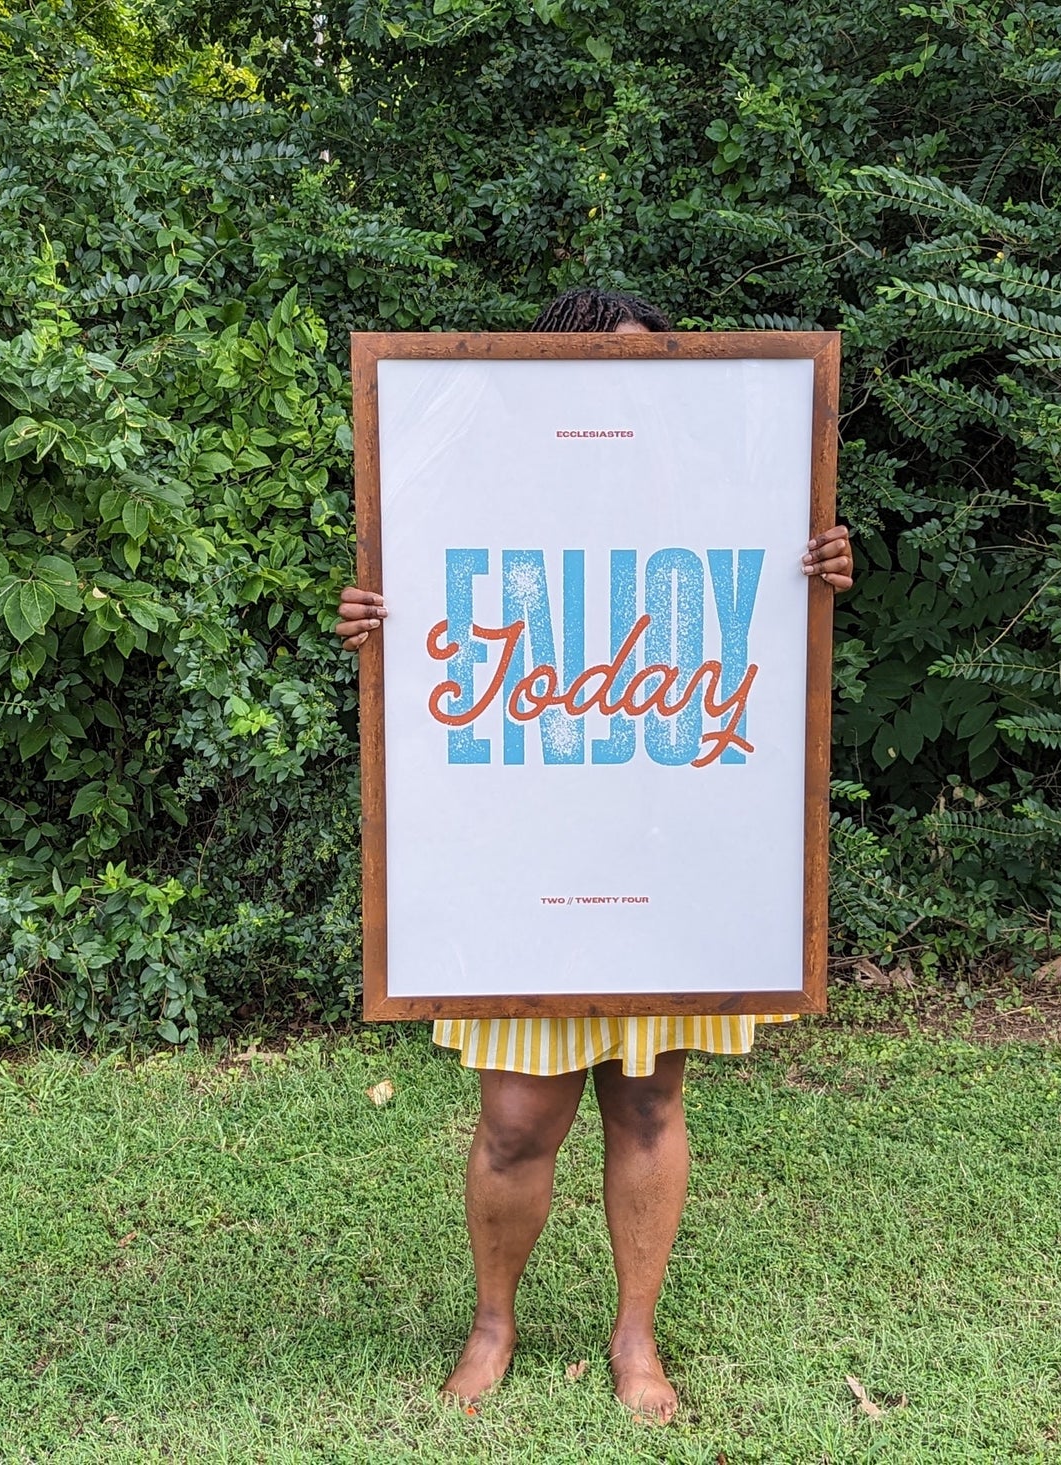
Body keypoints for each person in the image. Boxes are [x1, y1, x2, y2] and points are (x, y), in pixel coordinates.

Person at [334, 286, 854, 1423]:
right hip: (527, 859)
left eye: (650, 368)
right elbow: (428, 616)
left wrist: (812, 570)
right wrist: (379, 617)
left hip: (663, 854)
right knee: (517, 1116)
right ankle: (492, 1323)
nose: (631, 387)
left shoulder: (724, 499)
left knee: (649, 1101)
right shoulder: (477, 496)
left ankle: (635, 1335)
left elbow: (763, 624)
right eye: (605, 366)